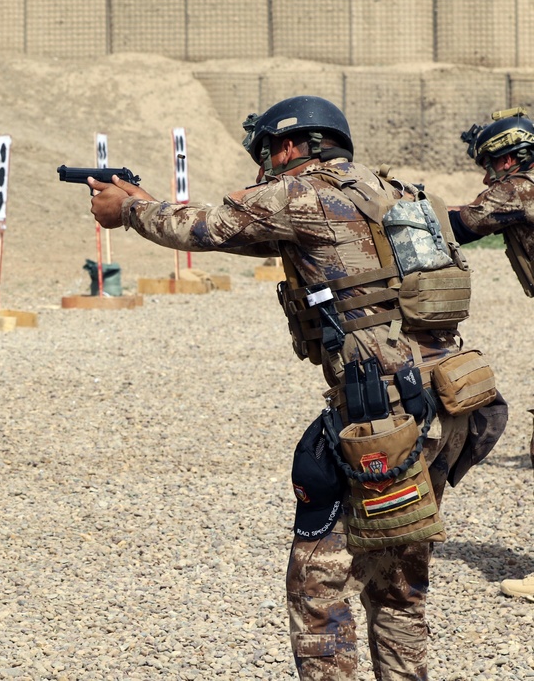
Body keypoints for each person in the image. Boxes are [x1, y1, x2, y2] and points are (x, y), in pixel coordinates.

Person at [87, 95, 508, 680]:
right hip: (451, 397)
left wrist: (129, 212)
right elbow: (254, 238)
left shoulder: (298, 192)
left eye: (266, 152)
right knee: (397, 581)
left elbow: (205, 228)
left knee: (319, 582)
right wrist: (145, 200)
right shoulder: (397, 192)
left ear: (290, 145)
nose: (263, 166)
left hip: (382, 413)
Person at [454, 107, 534, 601]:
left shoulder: (520, 187)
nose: (488, 175)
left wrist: (390, 206)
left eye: (491, 163)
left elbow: (461, 225)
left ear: (511, 158)